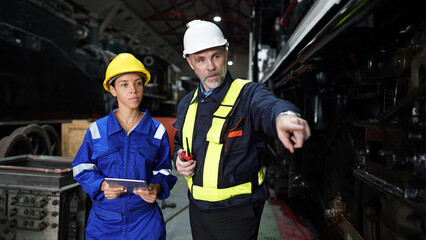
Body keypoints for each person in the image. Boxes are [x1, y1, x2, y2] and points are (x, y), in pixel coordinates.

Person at [173, 20, 311, 240]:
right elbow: (181, 142)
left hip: (237, 213)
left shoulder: (248, 94)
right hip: (197, 210)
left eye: (216, 56)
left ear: (226, 53)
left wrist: (285, 116)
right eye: (201, 59)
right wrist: (179, 159)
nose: (210, 66)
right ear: (190, 62)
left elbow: (269, 106)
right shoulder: (186, 104)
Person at [72, 53, 177, 240]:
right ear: (112, 90)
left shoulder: (156, 130)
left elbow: (165, 170)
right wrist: (102, 185)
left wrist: (156, 187)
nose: (133, 90)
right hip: (104, 222)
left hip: (144, 221)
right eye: (124, 84)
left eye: (138, 83)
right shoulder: (97, 129)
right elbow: (82, 167)